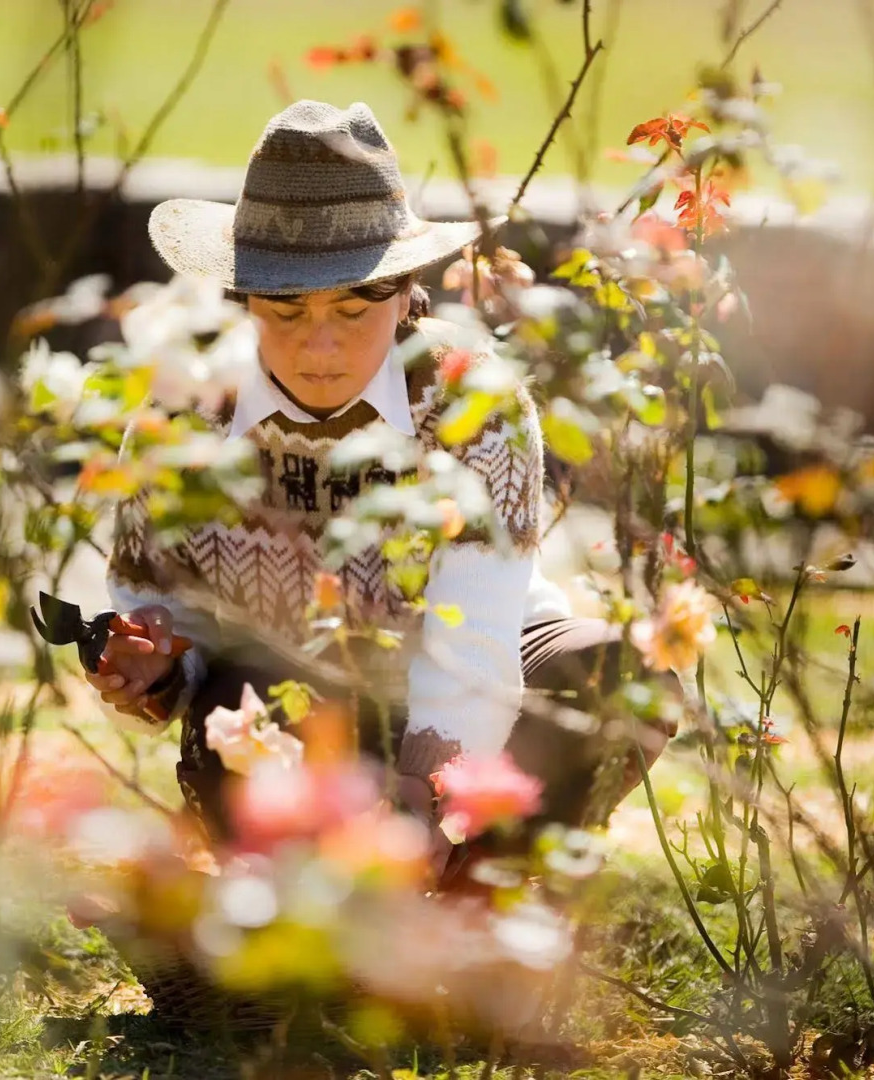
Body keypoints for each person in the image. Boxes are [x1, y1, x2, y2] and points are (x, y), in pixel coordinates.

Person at [84, 100, 675, 877]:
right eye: (285, 308)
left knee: (614, 676)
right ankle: (306, 904)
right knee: (248, 699)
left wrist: (425, 790)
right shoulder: (182, 408)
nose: (319, 344)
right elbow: (165, 609)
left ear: (403, 295)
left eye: (353, 305)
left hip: (480, 677)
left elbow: (476, 637)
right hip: (290, 690)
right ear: (242, 300)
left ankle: (480, 903)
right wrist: (154, 665)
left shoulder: (472, 400)